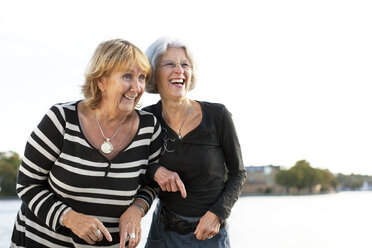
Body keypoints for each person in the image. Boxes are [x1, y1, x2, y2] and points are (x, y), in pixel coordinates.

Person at [10, 39, 162, 248]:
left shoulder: (149, 127)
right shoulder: (61, 119)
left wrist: (137, 209)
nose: (136, 87)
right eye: (127, 76)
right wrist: (70, 218)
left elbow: (151, 183)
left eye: (142, 77)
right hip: (41, 241)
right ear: (101, 81)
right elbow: (27, 184)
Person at [143, 37, 247, 248]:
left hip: (209, 235)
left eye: (185, 64)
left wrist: (218, 214)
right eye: (169, 64)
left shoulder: (218, 115)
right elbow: (134, 166)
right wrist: (155, 170)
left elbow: (238, 174)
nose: (179, 70)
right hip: (162, 234)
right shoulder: (146, 119)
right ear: (154, 73)